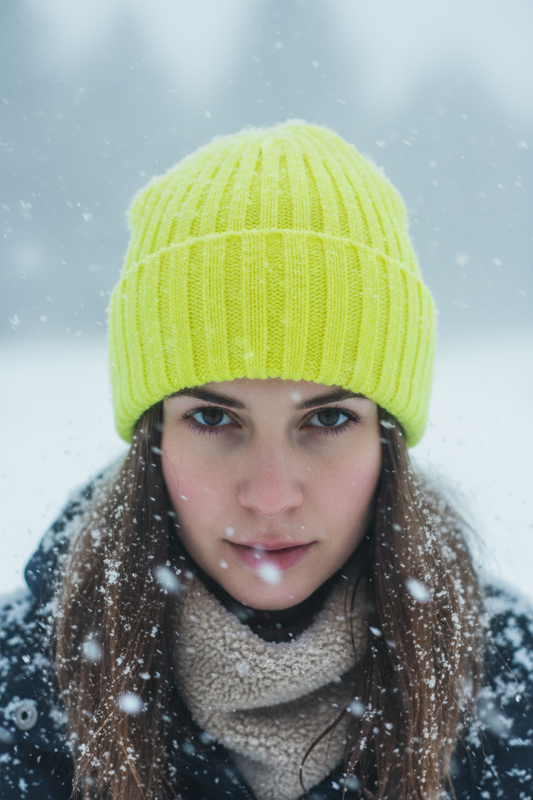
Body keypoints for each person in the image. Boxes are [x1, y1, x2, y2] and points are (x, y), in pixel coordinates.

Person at [1, 122, 532, 800]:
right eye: (214, 418)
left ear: (385, 441)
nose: (271, 495)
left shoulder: (509, 687)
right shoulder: (21, 691)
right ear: (154, 437)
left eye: (329, 418)